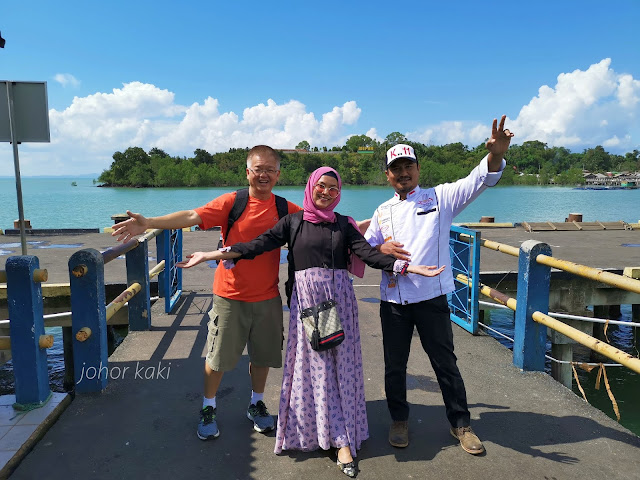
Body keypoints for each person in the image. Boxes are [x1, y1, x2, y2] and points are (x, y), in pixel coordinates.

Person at [176, 166, 445, 478]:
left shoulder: (344, 224)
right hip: (311, 308)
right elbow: (256, 245)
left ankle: (341, 438)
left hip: (339, 304)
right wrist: (213, 254)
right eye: (322, 186)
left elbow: (368, 254)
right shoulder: (293, 222)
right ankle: (322, 434)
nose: (327, 193)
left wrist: (406, 267)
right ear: (311, 187)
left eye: (333, 188)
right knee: (316, 369)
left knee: (339, 370)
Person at [111, 145, 301, 440]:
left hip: (267, 297)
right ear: (248, 172)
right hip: (229, 296)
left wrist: (363, 233)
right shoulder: (232, 202)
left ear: (278, 174)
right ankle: (208, 406)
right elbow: (191, 215)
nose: (263, 175)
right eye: (257, 169)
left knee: (263, 356)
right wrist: (148, 223)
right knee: (218, 358)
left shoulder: (286, 209)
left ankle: (256, 403)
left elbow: (320, 225)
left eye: (269, 170)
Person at [364, 115, 514, 454]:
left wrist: (496, 155)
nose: (403, 173)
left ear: (418, 169)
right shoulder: (381, 211)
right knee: (394, 365)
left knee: (445, 363)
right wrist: (380, 248)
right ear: (388, 174)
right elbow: (364, 249)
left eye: (408, 166)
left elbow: (478, 180)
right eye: (396, 168)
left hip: (432, 297)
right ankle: (399, 420)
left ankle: (461, 424)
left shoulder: (439, 198)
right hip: (393, 301)